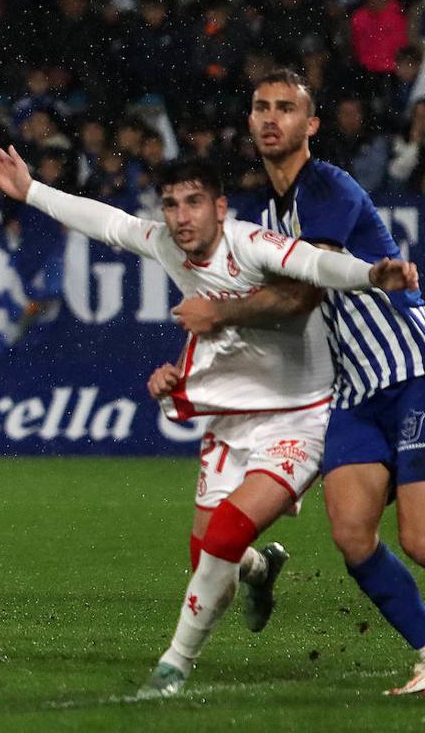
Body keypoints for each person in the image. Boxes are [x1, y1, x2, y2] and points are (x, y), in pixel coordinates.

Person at [0, 141, 418, 696]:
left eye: (193, 203)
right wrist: (31, 190)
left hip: (299, 418)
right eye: (171, 204)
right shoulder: (166, 243)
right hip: (231, 419)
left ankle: (173, 666)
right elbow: (107, 223)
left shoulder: (251, 244)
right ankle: (260, 569)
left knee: (229, 532)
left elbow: (314, 264)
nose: (181, 217)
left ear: (220, 207)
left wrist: (371, 274)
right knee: (211, 560)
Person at [176, 68, 425, 695]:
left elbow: (298, 297)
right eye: (260, 107)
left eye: (286, 108)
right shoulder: (270, 213)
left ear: (310, 125)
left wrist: (221, 313)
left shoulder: (327, 185)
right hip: (356, 392)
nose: (270, 118)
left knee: (419, 538)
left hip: (410, 370)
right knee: (351, 535)